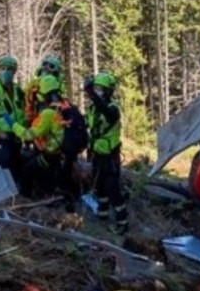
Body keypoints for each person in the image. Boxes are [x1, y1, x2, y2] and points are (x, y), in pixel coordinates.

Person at [21, 73, 87, 207]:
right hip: (68, 154)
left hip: (53, 154)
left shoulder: (48, 112)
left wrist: (15, 126)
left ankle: (27, 199)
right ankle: (64, 198)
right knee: (62, 178)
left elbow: (33, 133)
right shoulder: (67, 106)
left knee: (28, 170)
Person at [85, 72, 127, 232]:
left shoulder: (113, 108)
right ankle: (102, 215)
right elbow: (90, 125)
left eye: (100, 89)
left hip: (110, 157)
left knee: (113, 189)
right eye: (96, 88)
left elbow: (108, 115)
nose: (97, 92)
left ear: (109, 91)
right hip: (96, 153)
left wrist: (91, 94)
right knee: (99, 188)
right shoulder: (92, 108)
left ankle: (122, 223)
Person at [24, 54, 64, 125]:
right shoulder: (33, 83)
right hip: (35, 118)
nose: (46, 68)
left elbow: (56, 105)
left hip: (45, 119)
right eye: (45, 65)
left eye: (51, 66)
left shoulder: (53, 82)